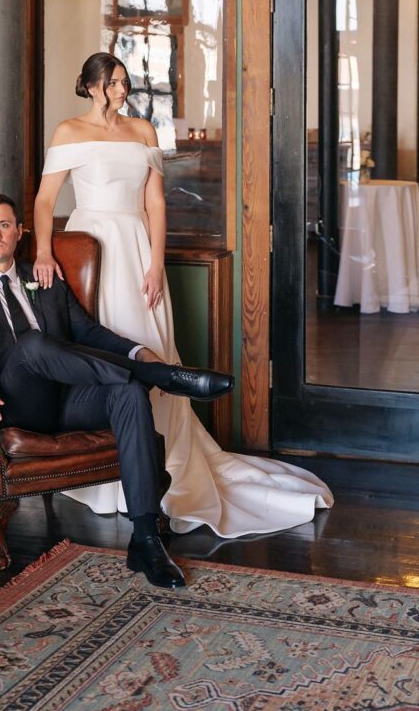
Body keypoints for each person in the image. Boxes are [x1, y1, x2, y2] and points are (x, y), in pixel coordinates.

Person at [33, 52, 333, 537]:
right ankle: (103, 473)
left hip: (134, 249)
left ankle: (159, 464)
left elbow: (154, 201)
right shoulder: (69, 132)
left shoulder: (143, 132)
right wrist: (45, 254)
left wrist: (155, 261)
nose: (121, 91)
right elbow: (46, 201)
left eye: (125, 83)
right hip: (91, 247)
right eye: (112, 84)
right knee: (101, 348)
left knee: (147, 342)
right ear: (90, 87)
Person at [0, 193, 231, 588]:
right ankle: (165, 377)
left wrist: (136, 351)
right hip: (16, 402)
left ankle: (145, 540)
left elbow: (87, 331)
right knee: (33, 344)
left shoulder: (43, 275)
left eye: (5, 225)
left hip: (69, 398)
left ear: (19, 232)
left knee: (126, 393)